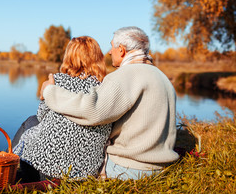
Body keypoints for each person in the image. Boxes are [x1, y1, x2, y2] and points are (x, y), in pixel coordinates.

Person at [40, 26, 179, 180]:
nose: (109, 52)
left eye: (112, 46)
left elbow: (92, 111)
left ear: (121, 50)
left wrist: (50, 91)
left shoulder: (125, 76)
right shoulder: (162, 77)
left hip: (130, 168)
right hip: (162, 167)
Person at [12, 36, 112, 182]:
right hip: (84, 174)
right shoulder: (106, 89)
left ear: (69, 57)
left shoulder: (58, 81)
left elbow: (41, 116)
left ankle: (8, 160)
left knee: (31, 120)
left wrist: (46, 92)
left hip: (43, 169)